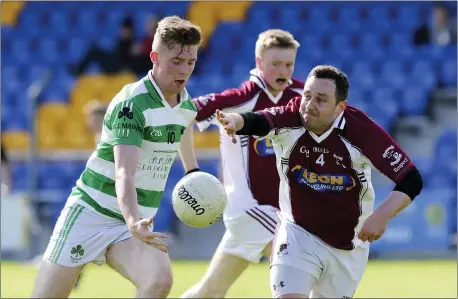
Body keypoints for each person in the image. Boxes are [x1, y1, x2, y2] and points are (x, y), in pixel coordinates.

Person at [31, 15, 202, 298]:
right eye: (176, 61)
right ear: (155, 57)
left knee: (158, 281)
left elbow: (183, 126)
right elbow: (125, 172)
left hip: (133, 222)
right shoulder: (131, 103)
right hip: (92, 212)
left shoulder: (185, 102)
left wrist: (193, 172)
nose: (184, 70)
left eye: (191, 62)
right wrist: (134, 220)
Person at [217, 65, 424, 298]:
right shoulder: (290, 117)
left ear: (340, 107)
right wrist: (236, 120)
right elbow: (260, 120)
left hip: (348, 246)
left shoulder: (362, 131)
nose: (309, 105)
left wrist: (381, 216)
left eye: (321, 99)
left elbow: (411, 179)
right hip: (297, 234)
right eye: (307, 95)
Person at [181, 29, 303, 298]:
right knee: (301, 268)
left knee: (210, 291)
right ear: (259, 63)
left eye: (289, 64)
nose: (284, 70)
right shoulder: (240, 100)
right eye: (276, 64)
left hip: (278, 209)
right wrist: (192, 172)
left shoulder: (302, 98)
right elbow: (183, 114)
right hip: (251, 209)